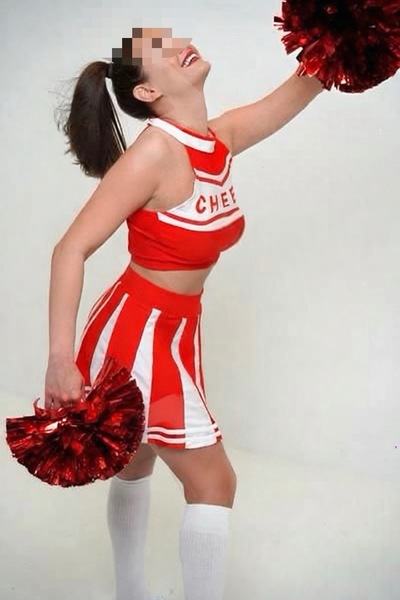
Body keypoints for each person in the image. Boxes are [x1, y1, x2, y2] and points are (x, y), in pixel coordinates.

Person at [45, 27, 323, 600]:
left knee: (137, 460)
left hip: (176, 329)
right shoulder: (152, 155)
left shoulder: (218, 138)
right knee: (215, 483)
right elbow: (70, 248)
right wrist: (59, 358)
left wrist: (343, 40)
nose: (179, 45)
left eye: (172, 38)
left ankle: (128, 594)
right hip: (137, 333)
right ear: (147, 92)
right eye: (160, 51)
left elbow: (300, 89)